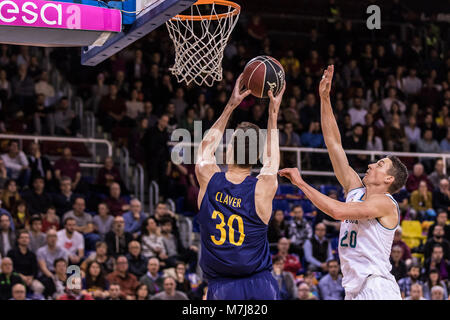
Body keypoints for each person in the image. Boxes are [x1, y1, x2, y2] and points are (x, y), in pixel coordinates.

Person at [279, 65, 408, 300]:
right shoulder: (356, 190)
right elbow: (334, 144)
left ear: (389, 179)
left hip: (377, 288)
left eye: (379, 165)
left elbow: (337, 211)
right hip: (354, 290)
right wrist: (325, 99)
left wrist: (301, 183)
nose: (370, 165)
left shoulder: (385, 204)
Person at [195, 74, 285, 300]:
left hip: (224, 288)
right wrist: (273, 113)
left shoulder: (209, 178)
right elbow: (272, 162)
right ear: (257, 156)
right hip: (261, 285)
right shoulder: (262, 188)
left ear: (228, 149)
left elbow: (205, 148)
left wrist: (231, 105)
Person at [7, 230, 41, 298]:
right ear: (18, 239)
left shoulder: (32, 254)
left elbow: (35, 269)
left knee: (40, 287)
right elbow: (10, 268)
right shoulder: (11, 253)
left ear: (29, 240)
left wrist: (31, 278)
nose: (24, 239)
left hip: (30, 279)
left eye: (26, 238)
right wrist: (21, 276)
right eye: (22, 237)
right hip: (16, 277)